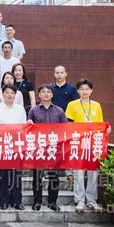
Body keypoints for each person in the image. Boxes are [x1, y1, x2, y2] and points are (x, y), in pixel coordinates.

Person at [65, 79, 111, 213]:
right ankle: (79, 200)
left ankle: (91, 200)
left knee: (93, 172)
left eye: (87, 89)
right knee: (78, 173)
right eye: (82, 89)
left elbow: (100, 124)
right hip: (78, 144)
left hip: (93, 144)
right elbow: (68, 125)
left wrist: (106, 130)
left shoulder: (96, 105)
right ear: (77, 91)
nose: (84, 91)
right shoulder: (72, 105)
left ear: (91, 90)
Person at [27, 84, 68, 212]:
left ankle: (52, 202)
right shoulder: (33, 110)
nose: (46, 94)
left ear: (52, 94)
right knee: (37, 176)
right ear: (39, 95)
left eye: (48, 92)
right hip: (38, 148)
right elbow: (28, 129)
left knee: (54, 176)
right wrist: (29, 124)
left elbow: (66, 128)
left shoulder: (59, 111)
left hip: (54, 148)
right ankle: (37, 201)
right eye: (43, 92)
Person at [0, 84, 27, 210]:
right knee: (4, 175)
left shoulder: (20, 109)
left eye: (12, 93)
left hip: (16, 145)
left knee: (16, 174)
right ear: (2, 94)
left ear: (15, 95)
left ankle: (17, 201)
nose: (9, 95)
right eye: (7, 92)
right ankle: (4, 201)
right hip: (2, 145)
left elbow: (23, 127)